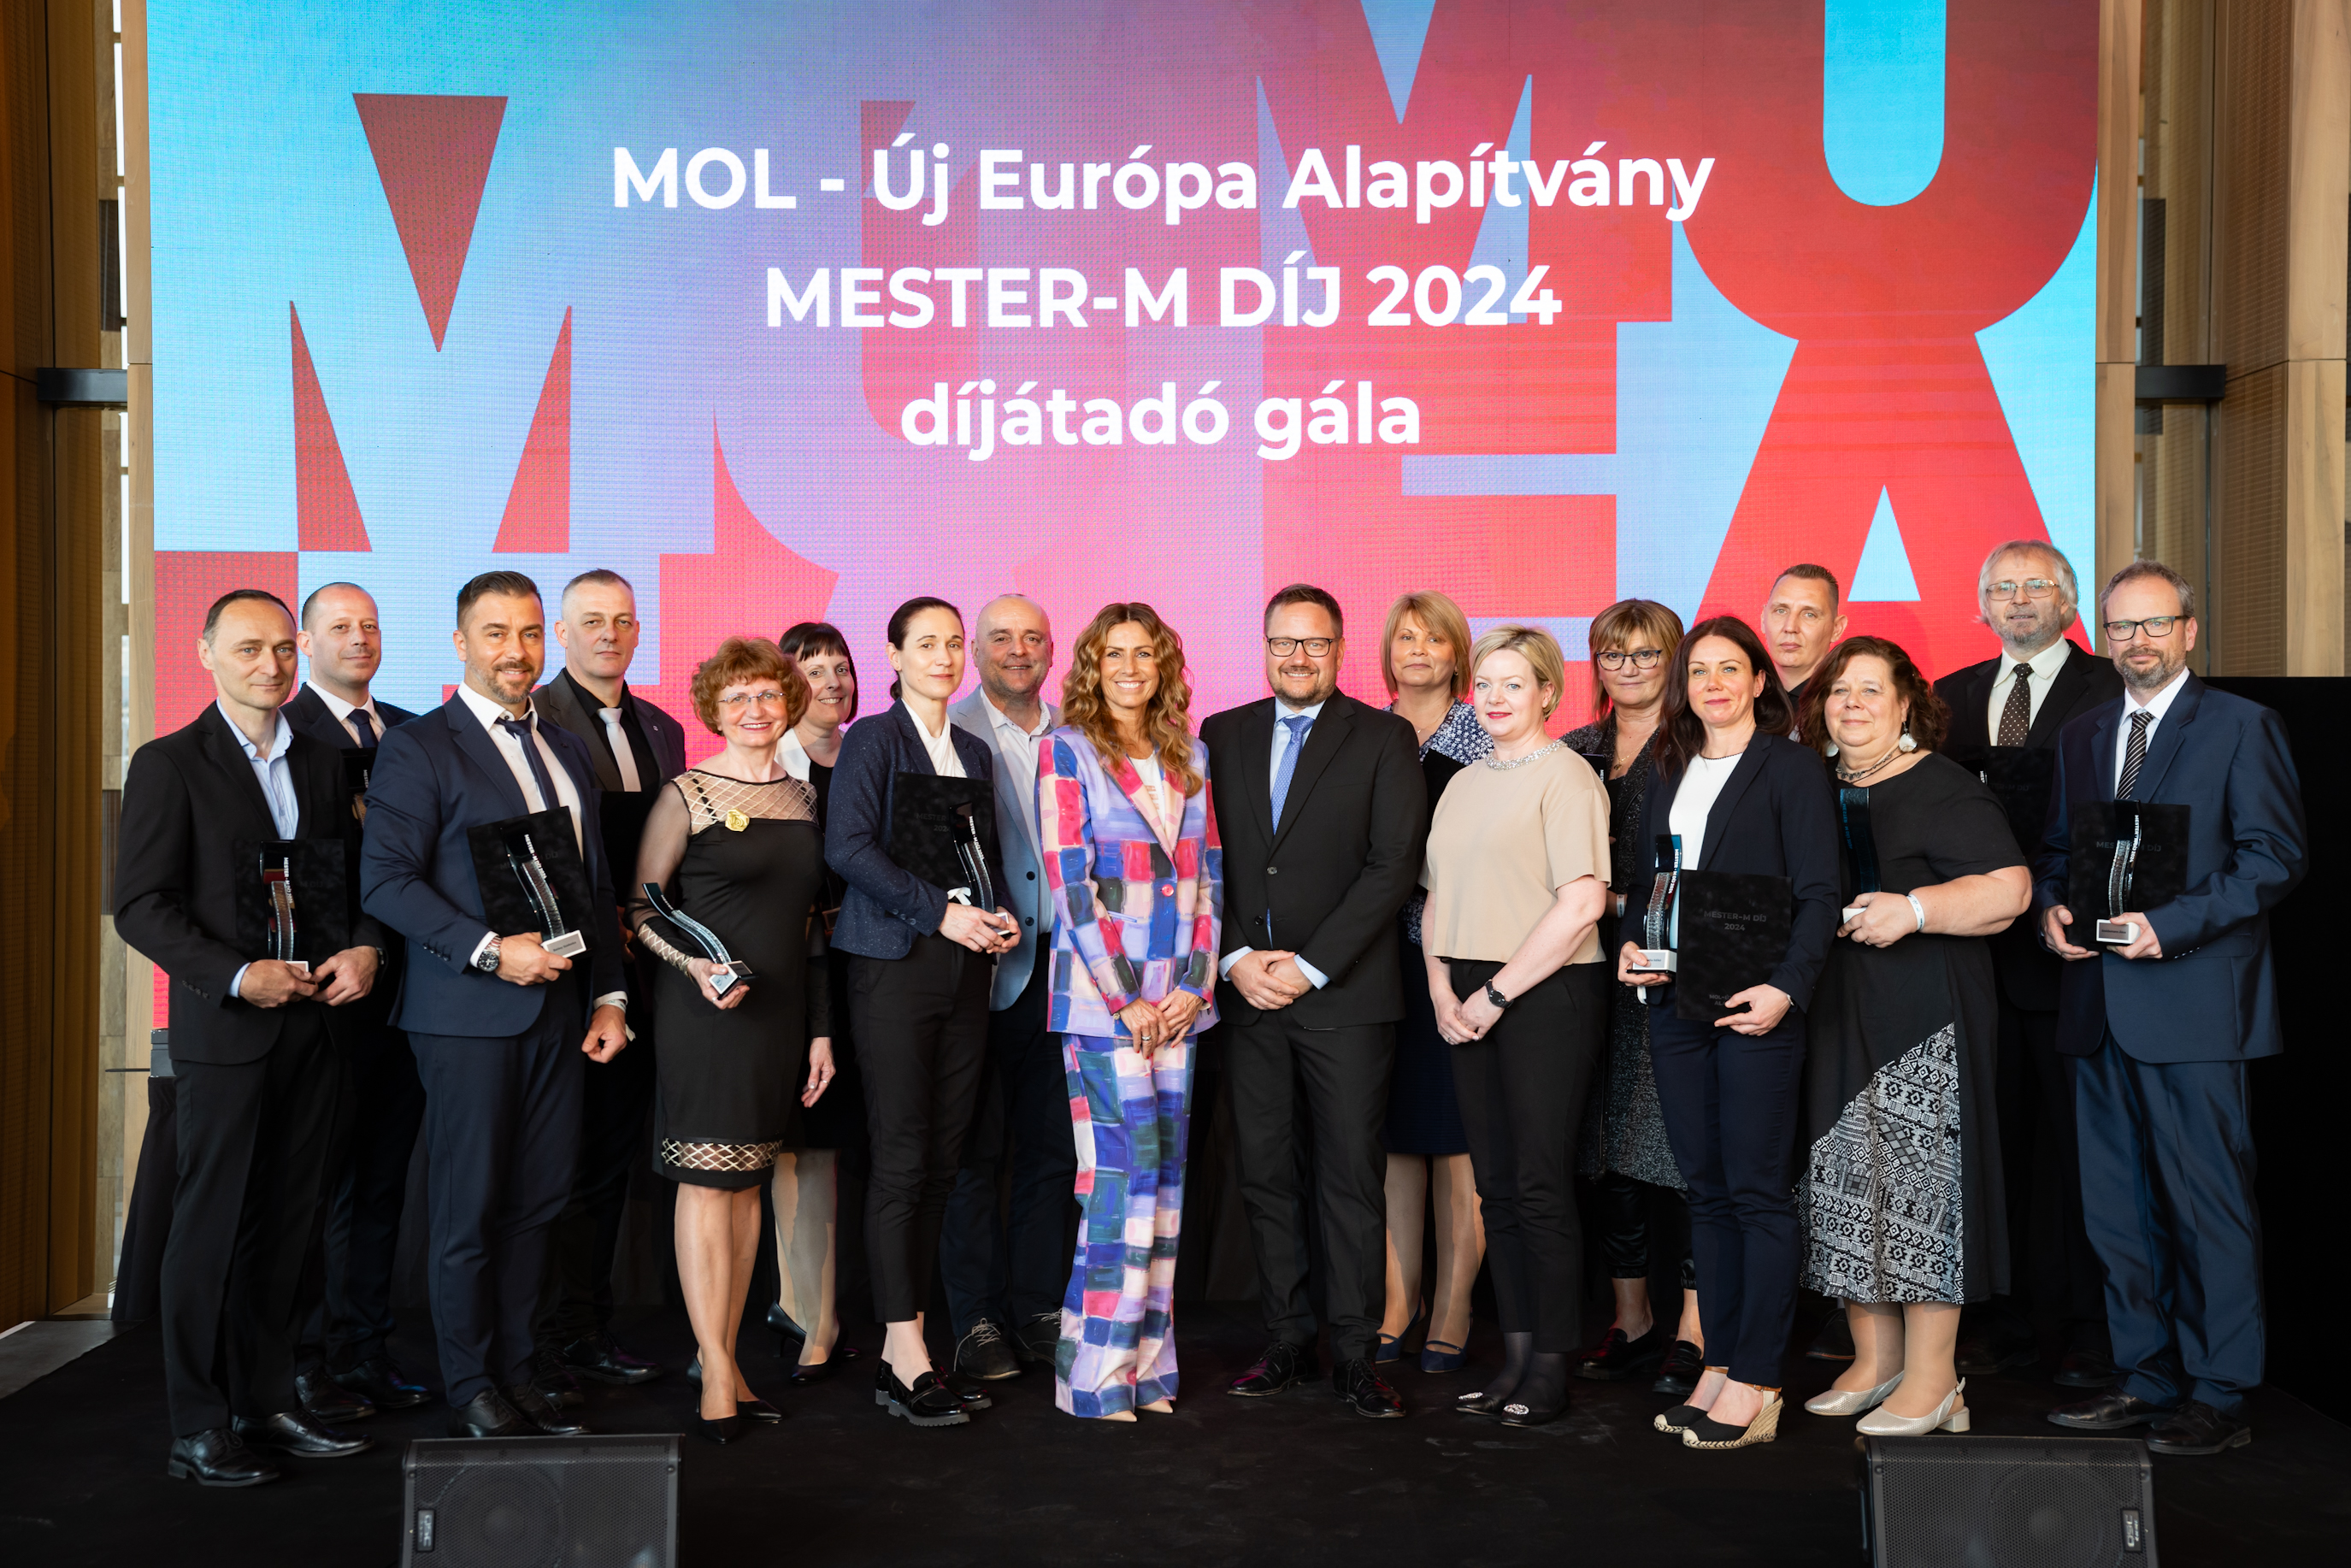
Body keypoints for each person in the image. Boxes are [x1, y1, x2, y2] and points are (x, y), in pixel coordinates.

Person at [119, 588, 389, 1487]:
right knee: (210, 1228)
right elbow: (141, 905)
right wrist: (238, 974)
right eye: (247, 649)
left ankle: (266, 1401)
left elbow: (358, 883)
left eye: (281, 649)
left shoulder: (324, 761)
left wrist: (366, 947)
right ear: (206, 654)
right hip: (228, 1032)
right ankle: (198, 1425)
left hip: (318, 1028)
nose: (269, 666)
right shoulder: (169, 763)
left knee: (292, 1225)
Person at [2038, 561, 2305, 1457]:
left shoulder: (2240, 725)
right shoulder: (2083, 733)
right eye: (2122, 626)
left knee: (2205, 1206)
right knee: (2117, 1211)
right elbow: (2057, 850)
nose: (2138, 641)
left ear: (2188, 630)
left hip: (2192, 1004)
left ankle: (2219, 1390)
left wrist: (2169, 926)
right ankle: (2145, 1375)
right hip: (2096, 1007)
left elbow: (2272, 857)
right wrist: (2052, 911)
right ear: (2103, 635)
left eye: (2155, 624)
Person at [359, 571, 630, 1441]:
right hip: (465, 1017)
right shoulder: (420, 747)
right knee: (470, 1209)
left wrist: (609, 996)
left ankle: (518, 1369)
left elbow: (594, 887)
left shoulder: (566, 748)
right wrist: (487, 949)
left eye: (528, 633)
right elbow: (385, 881)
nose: (516, 651)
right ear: (460, 644)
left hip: (561, 1013)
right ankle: (471, 1380)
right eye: (495, 633)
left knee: (540, 1203)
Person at [1794, 639, 2031, 1437]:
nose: (1852, 704)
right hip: (1834, 1007)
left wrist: (1917, 909)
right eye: (1839, 691)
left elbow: (2010, 890)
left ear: (1906, 705)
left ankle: (1936, 1380)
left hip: (1925, 1010)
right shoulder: (1812, 785)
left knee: (1921, 1186)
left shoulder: (1943, 785)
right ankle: (1877, 1361)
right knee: (1845, 1177)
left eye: (1871, 690)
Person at [1200, 583, 1425, 1418]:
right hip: (1248, 994)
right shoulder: (1220, 734)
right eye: (1283, 642)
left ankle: (1357, 1355)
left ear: (1339, 649)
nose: (1298, 657)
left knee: (1350, 1180)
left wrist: (1313, 965)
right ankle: (1286, 1340)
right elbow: (1200, 858)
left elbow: (1392, 865)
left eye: (1315, 642)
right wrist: (1234, 958)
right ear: (1263, 648)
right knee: (1265, 1176)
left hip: (1346, 998)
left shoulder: (1383, 737)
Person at [1620, 616, 1838, 1451]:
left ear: (1757, 681)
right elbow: (1650, 879)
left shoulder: (1791, 767)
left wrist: (1786, 989)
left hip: (1757, 1008)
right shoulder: (1670, 766)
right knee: (1704, 1191)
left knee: (1755, 1193)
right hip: (1677, 1005)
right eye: (1699, 670)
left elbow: (1819, 893)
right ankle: (1716, 1364)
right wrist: (1632, 944)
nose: (1712, 683)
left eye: (1728, 668)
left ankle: (1757, 1376)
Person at [629, 638, 836, 1443]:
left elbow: (813, 925)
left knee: (747, 1189)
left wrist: (820, 1031)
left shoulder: (805, 796)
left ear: (789, 703)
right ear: (713, 710)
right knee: (708, 1187)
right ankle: (715, 1368)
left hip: (779, 1021)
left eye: (768, 695)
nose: (755, 710)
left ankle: (730, 1361)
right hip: (707, 1017)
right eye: (737, 697)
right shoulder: (687, 794)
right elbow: (643, 908)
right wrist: (698, 969)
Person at [825, 597, 1018, 1428]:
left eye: (952, 643)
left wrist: (999, 912)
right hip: (894, 969)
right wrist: (940, 913)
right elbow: (847, 848)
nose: (943, 656)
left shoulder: (971, 748)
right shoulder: (874, 739)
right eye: (926, 643)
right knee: (902, 1161)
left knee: (943, 1162)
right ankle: (902, 1350)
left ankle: (911, 1351)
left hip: (965, 973)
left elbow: (979, 858)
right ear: (895, 656)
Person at [1933, 540, 2122, 1387]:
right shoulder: (1946, 698)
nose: (2016, 600)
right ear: (1980, 605)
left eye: (2034, 586)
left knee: (2082, 1159)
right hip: (1965, 968)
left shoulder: (2110, 690)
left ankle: (2092, 1327)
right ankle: (1995, 1321)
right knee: (1987, 1154)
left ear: (2068, 602)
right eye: (2001, 588)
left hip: (2067, 961)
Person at [1421, 626, 1612, 1427]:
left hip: (1545, 991)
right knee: (1494, 1186)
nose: (1494, 699)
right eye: (1485, 685)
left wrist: (1494, 995)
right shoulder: (1462, 783)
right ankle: (1518, 1356)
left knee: (1538, 1184)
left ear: (1548, 694)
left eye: (1514, 684)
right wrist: (1441, 990)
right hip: (1466, 991)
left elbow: (1583, 904)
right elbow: (1436, 897)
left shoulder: (1567, 778)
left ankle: (1552, 1367)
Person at [1036, 604, 1223, 1418]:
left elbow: (1209, 879)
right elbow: (1071, 886)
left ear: (1163, 665)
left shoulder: (1191, 755)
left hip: (1177, 1007)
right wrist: (1127, 999)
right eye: (1114, 654)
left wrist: (1194, 987)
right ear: (1092, 665)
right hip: (1103, 1007)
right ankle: (1094, 1377)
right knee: (1118, 1183)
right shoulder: (1066, 751)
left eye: (1144, 653)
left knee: (1165, 1189)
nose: (1130, 668)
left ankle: (1149, 1371)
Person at [528, 569, 686, 1398]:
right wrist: (600, 933)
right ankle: (547, 1334)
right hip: (571, 975)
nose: (609, 634)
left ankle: (586, 1329)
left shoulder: (663, 727)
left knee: (610, 1162)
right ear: (561, 633)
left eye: (622, 621)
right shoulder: (535, 720)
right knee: (560, 1159)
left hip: (653, 975)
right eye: (591, 621)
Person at [280, 582, 427, 1421]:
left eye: (369, 624)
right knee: (313, 1190)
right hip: (323, 994)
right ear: (306, 642)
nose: (359, 638)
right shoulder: (282, 732)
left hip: (409, 995)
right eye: (339, 627)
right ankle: (301, 1364)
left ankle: (363, 1351)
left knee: (379, 1185)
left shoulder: (412, 732)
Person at [1563, 599, 1704, 1394]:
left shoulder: (1699, 747)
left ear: (1673, 661)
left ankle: (1695, 1329)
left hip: (1673, 973)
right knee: (1607, 1155)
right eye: (1614, 655)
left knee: (1683, 1155)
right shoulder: (1573, 750)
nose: (1630, 668)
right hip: (1587, 974)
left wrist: (1617, 904)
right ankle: (1632, 1319)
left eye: (1648, 654)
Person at [942, 595, 1073, 1380]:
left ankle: (1038, 1308)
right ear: (975, 651)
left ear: (1052, 650)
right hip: (978, 976)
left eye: (1032, 637)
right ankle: (976, 1320)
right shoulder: (941, 730)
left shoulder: (1081, 733)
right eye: (1001, 637)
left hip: (1070, 974)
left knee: (1052, 1153)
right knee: (972, 1154)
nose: (1018, 650)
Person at [1374, 590, 1488, 1374]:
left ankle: (1454, 1303)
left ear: (1458, 655)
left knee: (1457, 1141)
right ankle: (1397, 1300)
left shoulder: (1486, 732)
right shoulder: (1362, 731)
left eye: (1434, 638)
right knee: (1393, 1140)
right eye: (1405, 637)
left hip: (1458, 958)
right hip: (1371, 960)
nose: (1418, 649)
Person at [767, 621, 866, 1380]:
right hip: (800, 976)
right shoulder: (770, 772)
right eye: (812, 669)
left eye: (841, 667)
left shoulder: (873, 758)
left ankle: (825, 1312)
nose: (831, 682)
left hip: (871, 974)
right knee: (800, 1147)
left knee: (849, 1148)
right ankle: (804, 1311)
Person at [1761, 564, 1847, 711]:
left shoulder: (1849, 706)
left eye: (1809, 614)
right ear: (1763, 619)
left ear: (1836, 628)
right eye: (1781, 611)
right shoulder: (1739, 702)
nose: (1790, 627)